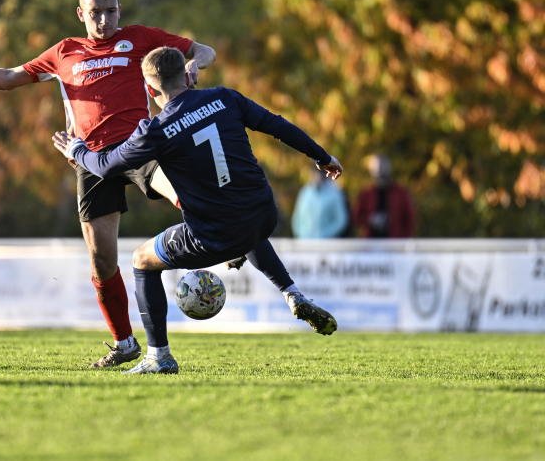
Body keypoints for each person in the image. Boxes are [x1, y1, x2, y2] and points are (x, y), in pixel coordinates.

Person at [0, 0, 217, 369]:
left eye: (110, 11)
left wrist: (193, 63)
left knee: (186, 195)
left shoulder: (141, 38)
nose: (104, 20)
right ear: (81, 14)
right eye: (95, 13)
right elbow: (9, 77)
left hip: (139, 147)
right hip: (91, 160)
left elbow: (204, 50)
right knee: (102, 261)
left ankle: (230, 236)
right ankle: (125, 343)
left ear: (120, 10)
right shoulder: (64, 52)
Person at [53, 46, 343, 374]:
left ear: (150, 90)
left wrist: (77, 150)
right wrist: (321, 157)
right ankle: (292, 293)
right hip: (264, 217)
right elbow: (278, 125)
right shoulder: (225, 98)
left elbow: (105, 167)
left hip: (214, 236)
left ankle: (158, 356)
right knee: (241, 216)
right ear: (188, 77)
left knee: (141, 260)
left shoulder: (155, 130)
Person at [352, 154, 415, 238]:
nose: (381, 172)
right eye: (378, 169)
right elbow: (356, 217)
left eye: (383, 168)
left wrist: (403, 239)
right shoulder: (366, 194)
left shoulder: (400, 193)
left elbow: (410, 219)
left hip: (394, 241)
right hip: (371, 241)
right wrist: (371, 220)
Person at [291, 166, 350, 238]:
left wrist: (325, 235)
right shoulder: (305, 192)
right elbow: (297, 218)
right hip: (305, 241)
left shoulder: (335, 193)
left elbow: (341, 221)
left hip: (326, 242)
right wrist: (302, 234)